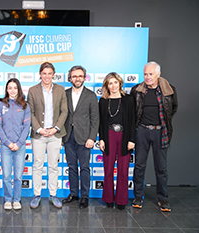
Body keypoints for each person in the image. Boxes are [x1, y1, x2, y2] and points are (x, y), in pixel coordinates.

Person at [131, 61, 178, 212]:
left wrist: (161, 124)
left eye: (151, 74)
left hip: (160, 132)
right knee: (139, 166)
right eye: (145, 74)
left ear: (158, 74)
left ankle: (163, 199)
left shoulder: (169, 90)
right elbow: (133, 111)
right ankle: (138, 196)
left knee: (161, 168)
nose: (148, 77)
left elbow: (173, 108)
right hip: (142, 131)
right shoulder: (136, 90)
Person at [27, 62, 68, 209]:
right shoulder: (32, 90)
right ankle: (36, 195)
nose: (47, 76)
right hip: (38, 135)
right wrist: (39, 129)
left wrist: (55, 128)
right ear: (40, 74)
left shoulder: (60, 89)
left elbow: (64, 111)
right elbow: (30, 113)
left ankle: (53, 195)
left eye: (49, 73)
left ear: (53, 74)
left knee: (53, 166)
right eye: (44, 73)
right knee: (37, 165)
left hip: (55, 134)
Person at [61, 65, 99, 209]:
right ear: (70, 78)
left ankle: (84, 196)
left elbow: (95, 119)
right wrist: (62, 137)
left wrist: (92, 138)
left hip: (85, 138)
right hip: (68, 137)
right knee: (71, 167)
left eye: (80, 76)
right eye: (74, 76)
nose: (77, 78)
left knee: (84, 167)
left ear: (84, 78)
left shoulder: (91, 95)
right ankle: (74, 194)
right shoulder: (64, 94)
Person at [98, 72, 135, 210]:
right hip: (108, 136)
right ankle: (108, 198)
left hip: (125, 136)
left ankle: (121, 200)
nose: (113, 86)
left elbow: (132, 120)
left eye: (115, 82)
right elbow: (101, 122)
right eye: (110, 83)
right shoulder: (103, 101)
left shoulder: (128, 100)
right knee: (108, 169)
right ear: (107, 86)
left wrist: (132, 139)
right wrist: (101, 138)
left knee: (123, 170)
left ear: (120, 83)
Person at [0, 78, 31, 210]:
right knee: (6, 175)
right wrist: (8, 143)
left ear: (19, 89)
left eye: (15, 88)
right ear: (6, 89)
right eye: (10, 88)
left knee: (18, 176)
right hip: (6, 146)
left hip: (20, 146)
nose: (12, 90)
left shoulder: (25, 106)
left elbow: (27, 126)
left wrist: (19, 143)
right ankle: (8, 199)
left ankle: (17, 200)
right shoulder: (0, 105)